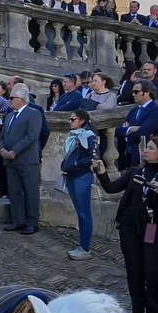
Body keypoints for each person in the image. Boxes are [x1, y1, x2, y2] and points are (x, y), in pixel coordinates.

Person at [94, 136, 158, 313]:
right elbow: (111, 188)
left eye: (150, 148)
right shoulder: (134, 171)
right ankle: (137, 309)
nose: (145, 151)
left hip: (153, 227)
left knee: (152, 269)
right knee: (133, 268)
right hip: (130, 227)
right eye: (145, 147)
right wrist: (101, 172)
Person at [0, 84, 45, 234]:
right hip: (10, 160)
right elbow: (3, 135)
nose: (9, 100)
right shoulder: (10, 115)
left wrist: (15, 151)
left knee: (30, 192)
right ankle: (18, 220)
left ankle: (32, 222)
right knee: (14, 191)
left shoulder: (33, 113)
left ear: (22, 99)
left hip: (27, 160)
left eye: (12, 98)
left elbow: (32, 136)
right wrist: (2, 149)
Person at [61, 108, 98, 259]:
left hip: (81, 177)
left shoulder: (89, 135)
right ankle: (82, 246)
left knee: (84, 213)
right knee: (80, 213)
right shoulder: (74, 135)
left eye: (72, 119)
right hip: (71, 176)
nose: (70, 122)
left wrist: (75, 163)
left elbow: (94, 157)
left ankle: (85, 248)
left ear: (81, 121)